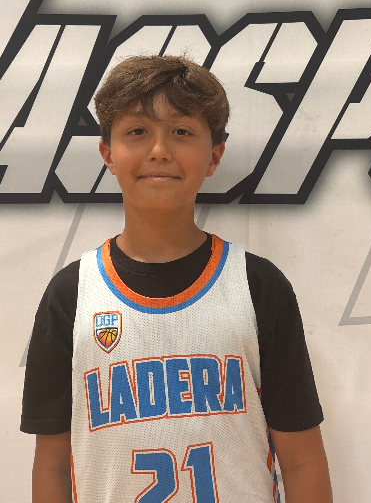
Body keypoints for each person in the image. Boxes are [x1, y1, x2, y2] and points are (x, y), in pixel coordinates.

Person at [21, 55, 333, 503]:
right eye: (137, 131)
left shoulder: (258, 286)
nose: (159, 150)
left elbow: (302, 461)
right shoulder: (71, 295)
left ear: (214, 155)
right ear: (108, 154)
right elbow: (52, 465)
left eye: (181, 131)